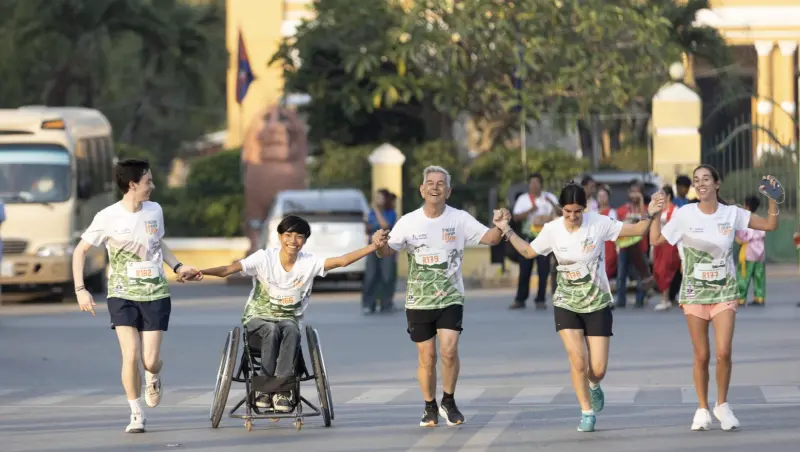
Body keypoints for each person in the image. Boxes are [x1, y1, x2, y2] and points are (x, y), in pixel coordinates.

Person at [493, 182, 663, 432]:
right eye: (568, 211)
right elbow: (528, 251)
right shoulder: (552, 229)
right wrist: (505, 228)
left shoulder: (599, 223)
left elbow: (637, 229)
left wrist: (652, 212)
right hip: (566, 303)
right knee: (578, 361)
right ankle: (586, 411)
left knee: (598, 369)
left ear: (585, 208)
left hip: (597, 303)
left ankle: (594, 386)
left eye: (577, 211)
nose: (572, 216)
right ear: (561, 209)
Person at [181, 215, 388, 412]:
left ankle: (282, 391)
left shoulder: (308, 263)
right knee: (271, 329)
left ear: (305, 240)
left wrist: (373, 246)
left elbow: (342, 261)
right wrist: (200, 272)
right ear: (280, 237)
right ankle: (264, 389)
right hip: (258, 321)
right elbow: (228, 269)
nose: (293, 240)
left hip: (288, 321)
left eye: (299, 236)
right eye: (288, 235)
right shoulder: (264, 258)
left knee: (291, 329)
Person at [72, 159, 201, 433]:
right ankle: (135, 413)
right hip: (121, 293)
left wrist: (178, 266)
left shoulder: (154, 210)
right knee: (129, 355)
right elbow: (79, 251)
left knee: (149, 360)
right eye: (148, 182)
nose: (152, 187)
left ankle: (153, 376)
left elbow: (159, 244)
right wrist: (80, 290)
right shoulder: (107, 216)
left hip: (155, 293)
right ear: (132, 184)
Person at [648, 165, 779, 431]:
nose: (701, 183)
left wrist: (773, 200)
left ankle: (722, 404)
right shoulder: (685, 214)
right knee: (701, 355)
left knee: (723, 352)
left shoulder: (731, 214)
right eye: (697, 180)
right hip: (694, 292)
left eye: (706, 179)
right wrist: (654, 214)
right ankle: (702, 409)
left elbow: (769, 224)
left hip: (725, 291)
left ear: (717, 184)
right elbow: (656, 240)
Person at [373, 165, 506, 428]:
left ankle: (449, 400)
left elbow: (490, 238)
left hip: (451, 297)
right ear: (422, 189)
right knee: (427, 357)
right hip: (419, 300)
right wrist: (379, 245)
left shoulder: (459, 219)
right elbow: (387, 251)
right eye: (430, 183)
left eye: (440, 183)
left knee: (449, 350)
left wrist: (501, 226)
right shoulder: (409, 222)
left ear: (448, 191)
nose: (435, 187)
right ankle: (429, 406)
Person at [510, 172, 558, 310]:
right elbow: (516, 217)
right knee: (525, 269)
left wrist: (552, 204)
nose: (534, 185)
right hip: (528, 238)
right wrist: (530, 210)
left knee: (543, 270)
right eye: (532, 183)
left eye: (537, 183)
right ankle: (520, 299)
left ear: (541, 185)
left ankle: (540, 299)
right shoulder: (524, 199)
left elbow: (560, 213)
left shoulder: (549, 198)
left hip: (544, 239)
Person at [615, 180, 654, 307]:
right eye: (633, 192)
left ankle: (640, 299)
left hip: (640, 246)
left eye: (638, 192)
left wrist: (641, 200)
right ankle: (621, 300)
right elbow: (618, 225)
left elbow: (645, 219)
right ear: (629, 193)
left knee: (640, 273)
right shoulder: (622, 209)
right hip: (625, 245)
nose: (635, 195)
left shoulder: (647, 208)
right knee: (621, 274)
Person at [362, 188, 398, 314]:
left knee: (386, 275)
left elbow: (385, 226)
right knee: (371, 275)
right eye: (375, 197)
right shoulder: (371, 212)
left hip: (386, 245)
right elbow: (368, 228)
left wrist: (377, 211)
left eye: (379, 198)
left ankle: (386, 303)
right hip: (372, 246)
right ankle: (368, 303)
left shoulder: (391, 213)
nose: (376, 200)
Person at [653, 186, 681, 312]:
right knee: (658, 271)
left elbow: (676, 226)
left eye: (662, 195)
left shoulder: (675, 210)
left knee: (665, 271)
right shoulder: (657, 209)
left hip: (669, 244)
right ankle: (667, 298)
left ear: (668, 196)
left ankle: (665, 299)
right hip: (658, 244)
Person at [735, 195, 766, 306]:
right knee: (759, 275)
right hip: (760, 252)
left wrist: (737, 237)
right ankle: (760, 297)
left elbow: (745, 236)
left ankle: (741, 298)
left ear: (746, 206)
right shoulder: (760, 219)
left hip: (748, 252)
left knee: (743, 275)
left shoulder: (746, 220)